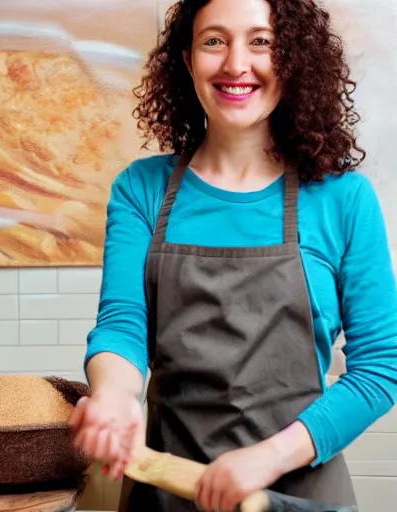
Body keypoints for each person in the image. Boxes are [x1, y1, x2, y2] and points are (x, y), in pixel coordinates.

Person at [69, 0, 397, 510]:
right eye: (214, 41)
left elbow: (381, 367)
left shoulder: (343, 198)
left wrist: (267, 458)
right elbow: (123, 322)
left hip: (299, 492)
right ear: (186, 60)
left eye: (261, 41)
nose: (235, 64)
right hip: (166, 489)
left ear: (294, 58)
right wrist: (112, 399)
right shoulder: (141, 189)